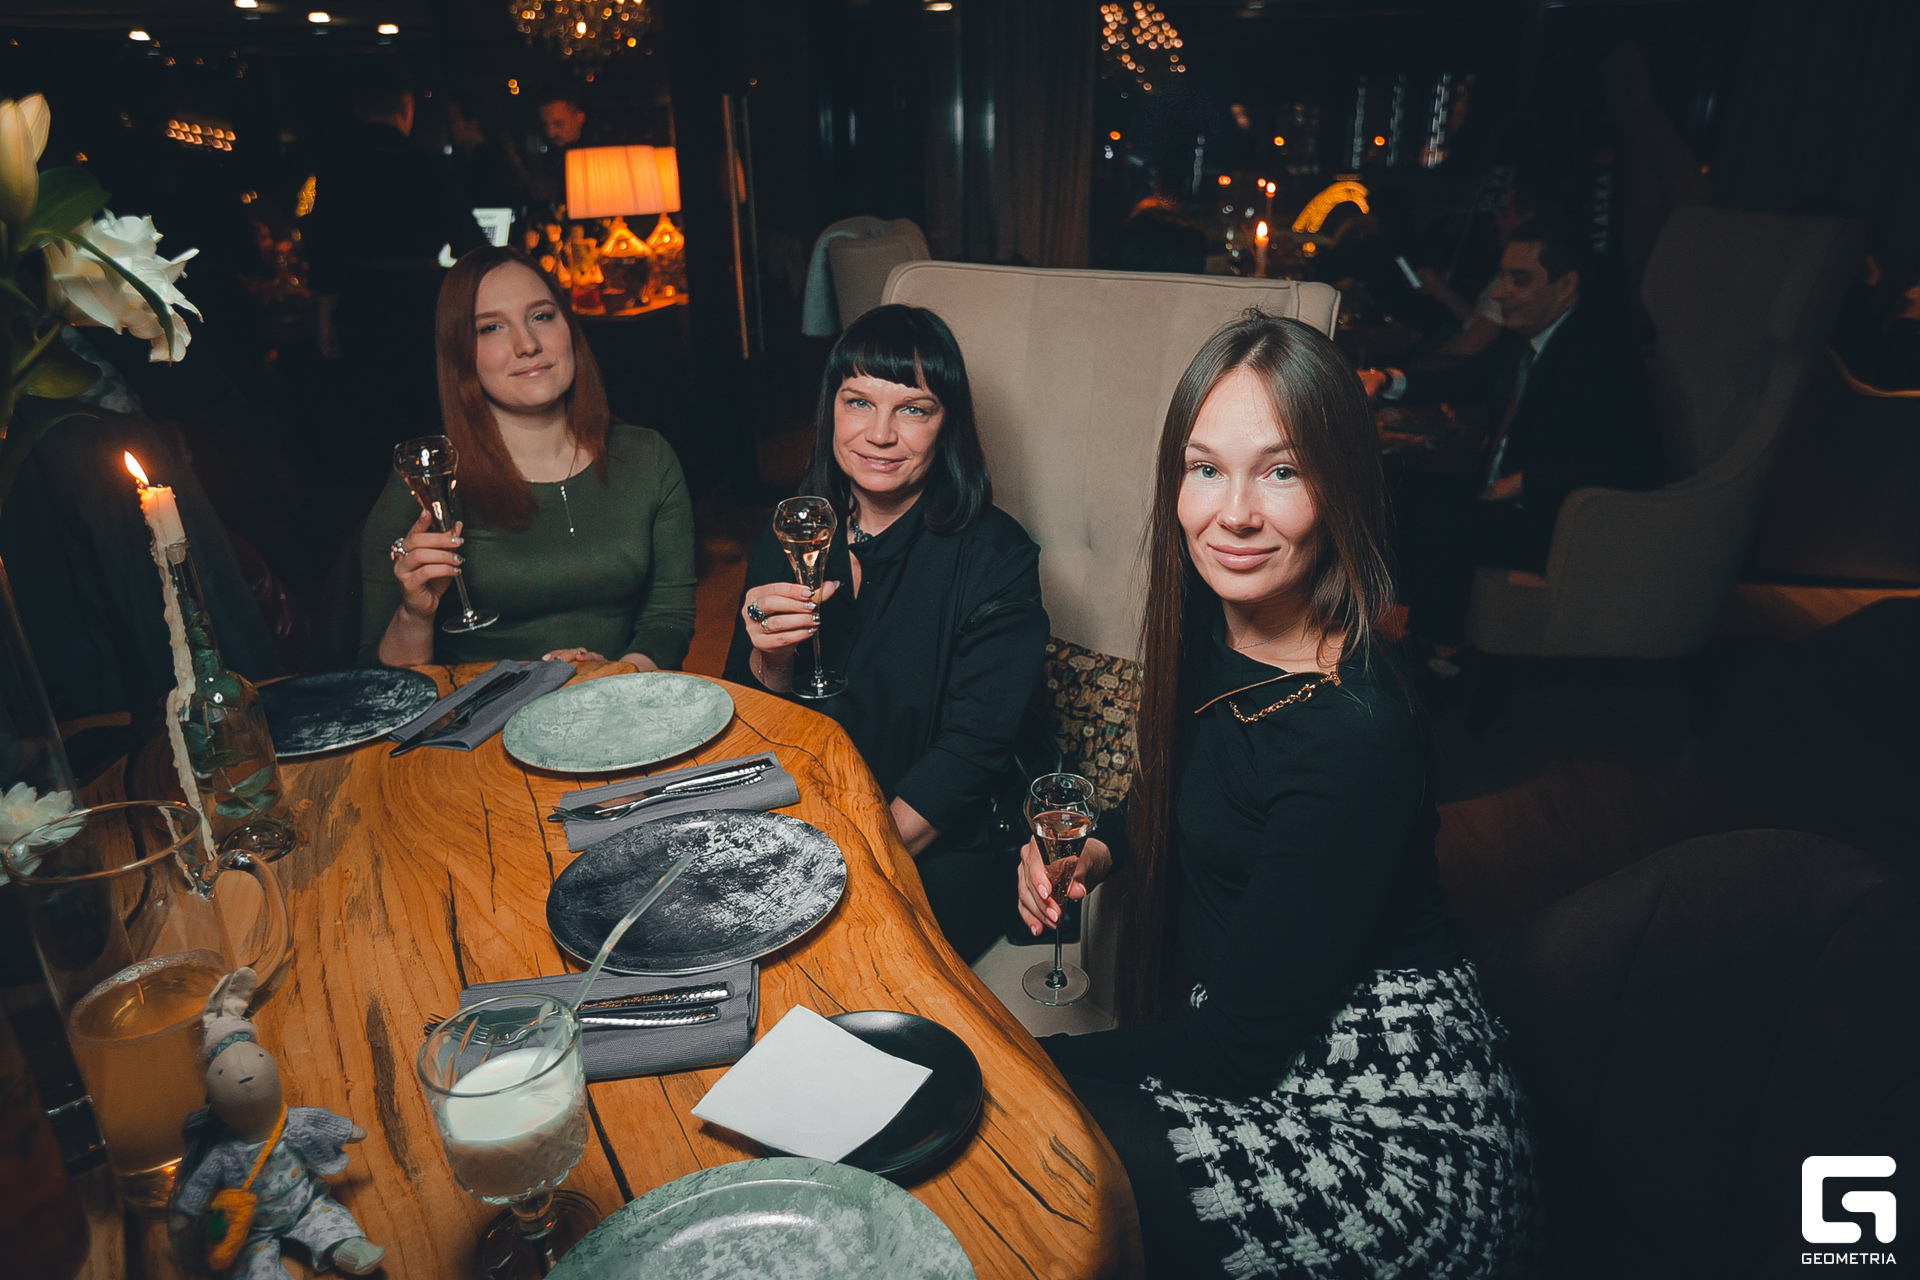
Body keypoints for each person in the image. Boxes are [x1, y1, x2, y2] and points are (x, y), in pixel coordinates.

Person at [1030, 312, 1534, 1277]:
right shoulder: (1221, 628)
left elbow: (1234, 1053)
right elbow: (1186, 788)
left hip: (1396, 1143)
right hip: (1263, 1052)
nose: (1234, 514)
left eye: (1282, 472)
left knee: (1019, 1124)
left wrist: (1015, 1058)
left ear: (1339, 486)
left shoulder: (1355, 730)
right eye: (1206, 468)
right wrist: (1100, 847)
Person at [723, 305, 1047, 962]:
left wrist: (835, 866)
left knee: (828, 960)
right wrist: (770, 658)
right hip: (805, 820)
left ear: (947, 424)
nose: (879, 434)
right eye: (859, 402)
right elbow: (749, 714)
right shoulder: (796, 530)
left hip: (936, 845)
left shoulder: (996, 558)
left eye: (913, 409)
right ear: (831, 410)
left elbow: (969, 758)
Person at [359, 246, 695, 669]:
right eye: (491, 328)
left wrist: (617, 674)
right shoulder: (427, 482)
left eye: (541, 316)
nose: (527, 344)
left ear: (569, 327)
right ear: (460, 353)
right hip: (481, 708)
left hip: (619, 698)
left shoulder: (646, 457)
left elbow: (668, 619)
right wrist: (415, 614)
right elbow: (375, 677)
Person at [1359, 217, 1660, 646]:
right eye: (1501, 277)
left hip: (1556, 522)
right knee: (1386, 489)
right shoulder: (1530, 336)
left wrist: (1520, 483)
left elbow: (1632, 460)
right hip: (1500, 499)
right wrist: (1386, 379)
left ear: (1566, 285)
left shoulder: (1601, 354)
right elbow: (1466, 379)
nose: (1500, 293)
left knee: (1435, 522)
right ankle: (1393, 637)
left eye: (1519, 280)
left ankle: (1436, 656)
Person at [304, 77, 485, 480]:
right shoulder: (427, 164)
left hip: (361, 303)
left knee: (373, 414)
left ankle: (385, 497)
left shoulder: (338, 170)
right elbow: (469, 243)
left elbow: (324, 250)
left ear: (360, 110)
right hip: (421, 302)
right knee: (427, 408)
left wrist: (324, 319)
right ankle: (439, 491)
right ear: (406, 109)